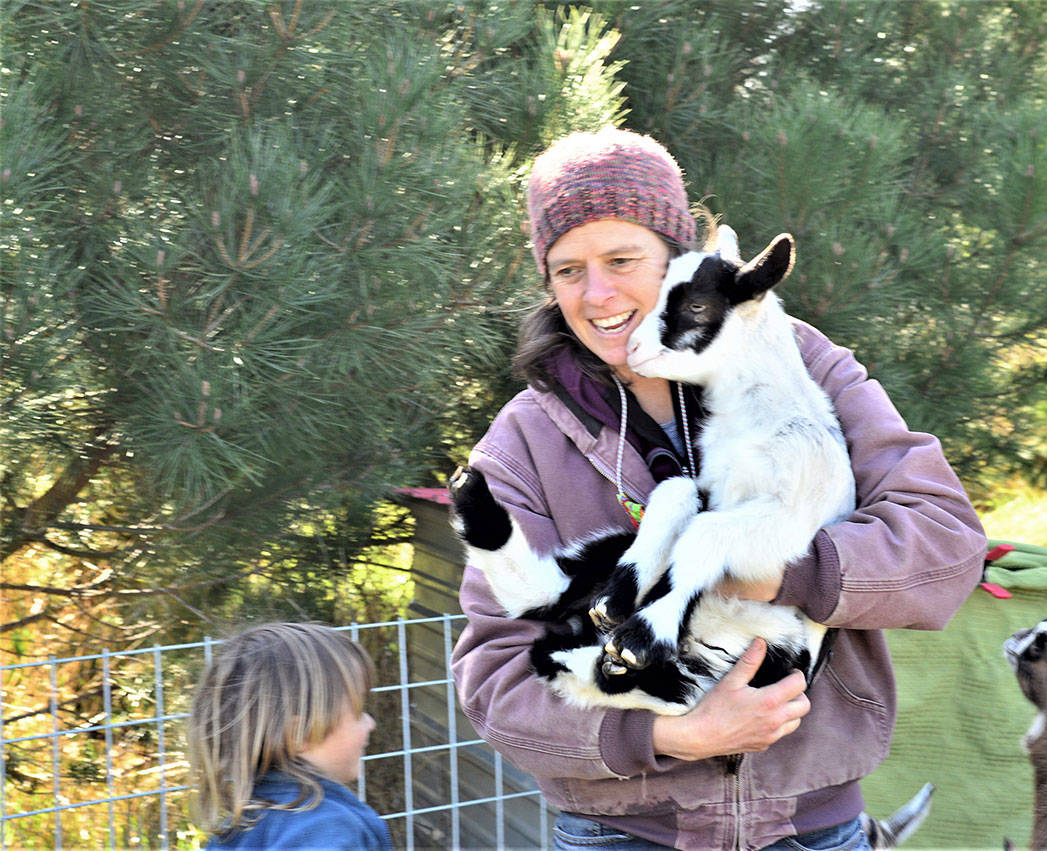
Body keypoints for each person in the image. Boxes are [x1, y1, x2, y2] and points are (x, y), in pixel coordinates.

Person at [449, 126, 988, 851]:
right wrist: (668, 733)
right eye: (568, 269)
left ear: (679, 257)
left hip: (810, 825)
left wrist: (785, 572)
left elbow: (945, 543)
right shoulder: (524, 442)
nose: (598, 293)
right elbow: (495, 681)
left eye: (621, 259)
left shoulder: (802, 367)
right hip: (625, 833)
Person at [187, 622, 392, 850]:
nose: (370, 723)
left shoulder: (239, 826)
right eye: (358, 710)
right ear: (299, 734)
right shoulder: (327, 829)